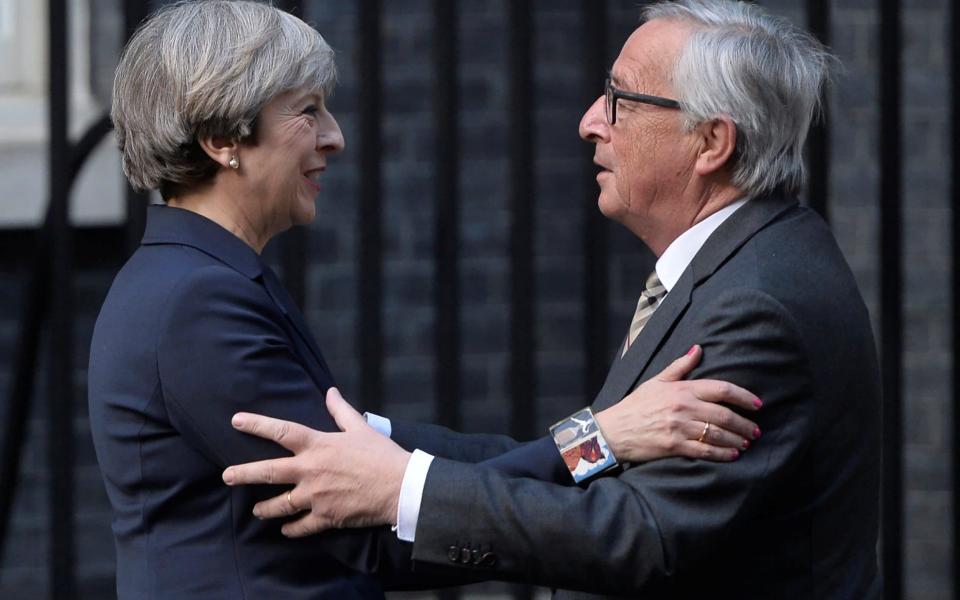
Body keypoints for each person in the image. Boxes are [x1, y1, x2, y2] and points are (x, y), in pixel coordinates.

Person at [87, 1, 762, 598]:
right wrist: (600, 439)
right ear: (222, 140)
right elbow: (376, 529)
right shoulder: (198, 303)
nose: (335, 137)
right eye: (307, 110)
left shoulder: (199, 282)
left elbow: (384, 459)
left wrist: (594, 439)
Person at [222, 1, 882, 598]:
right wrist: (380, 442)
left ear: (712, 142)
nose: (591, 122)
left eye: (620, 100)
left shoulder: (757, 304)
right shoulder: (741, 264)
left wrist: (401, 488)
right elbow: (610, 473)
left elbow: (640, 533)